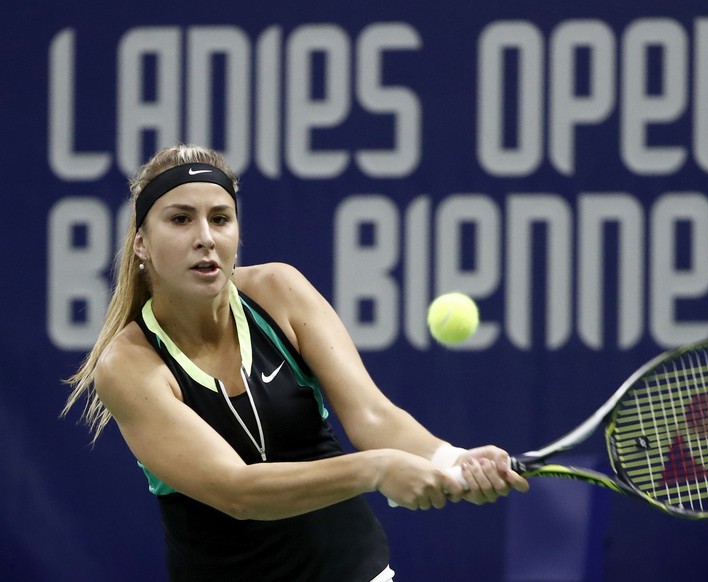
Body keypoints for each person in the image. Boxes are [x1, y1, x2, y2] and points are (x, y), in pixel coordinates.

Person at [63, 144, 528, 581]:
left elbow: (371, 414)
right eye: (181, 219)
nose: (205, 238)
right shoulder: (127, 365)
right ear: (141, 243)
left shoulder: (279, 291)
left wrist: (450, 457)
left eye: (220, 219)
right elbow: (236, 491)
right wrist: (376, 469)